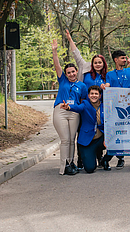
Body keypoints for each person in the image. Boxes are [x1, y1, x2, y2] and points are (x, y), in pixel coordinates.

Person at [67, 30, 108, 168]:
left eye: (100, 62)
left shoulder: (106, 76)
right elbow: (76, 54)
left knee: (99, 129)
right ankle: (80, 160)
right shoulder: (85, 68)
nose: (97, 64)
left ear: (103, 64)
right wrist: (70, 39)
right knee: (82, 130)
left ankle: (99, 157)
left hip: (99, 107)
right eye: (95, 62)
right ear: (92, 63)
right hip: (85, 106)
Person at [103, 50, 130, 169]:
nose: (125, 60)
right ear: (116, 60)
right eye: (122, 58)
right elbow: (107, 85)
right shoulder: (110, 74)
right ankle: (120, 158)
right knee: (119, 133)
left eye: (125, 58)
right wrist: (104, 87)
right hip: (117, 107)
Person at [51, 39, 88, 175]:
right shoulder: (63, 80)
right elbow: (57, 65)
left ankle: (71, 162)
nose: (71, 74)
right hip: (61, 110)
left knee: (72, 139)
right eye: (69, 73)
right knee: (65, 139)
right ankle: (64, 165)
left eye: (73, 72)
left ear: (77, 71)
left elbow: (83, 101)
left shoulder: (82, 86)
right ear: (65, 74)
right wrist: (54, 51)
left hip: (74, 112)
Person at [60, 85, 104, 173]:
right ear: (88, 95)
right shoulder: (85, 104)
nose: (94, 95)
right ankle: (90, 156)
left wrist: (108, 139)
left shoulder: (104, 106)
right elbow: (78, 108)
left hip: (100, 138)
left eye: (96, 94)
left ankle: (105, 160)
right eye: (92, 93)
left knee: (117, 142)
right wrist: (69, 108)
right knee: (90, 168)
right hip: (87, 141)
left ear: (100, 96)